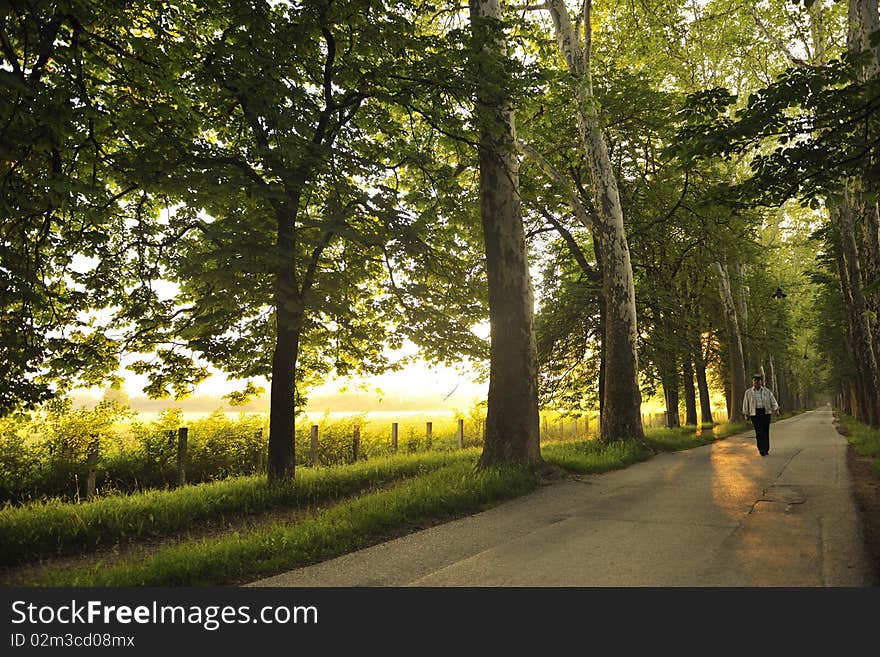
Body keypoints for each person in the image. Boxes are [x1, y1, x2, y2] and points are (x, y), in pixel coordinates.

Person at [742, 374, 780, 456]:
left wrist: (776, 409)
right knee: (759, 432)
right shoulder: (748, 392)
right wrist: (746, 414)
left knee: (765, 431)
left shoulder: (766, 391)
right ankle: (761, 449)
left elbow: (772, 400)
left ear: (761, 382)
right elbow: (746, 403)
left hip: (765, 412)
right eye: (755, 381)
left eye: (758, 381)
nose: (756, 382)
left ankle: (766, 448)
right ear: (753, 382)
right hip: (755, 413)